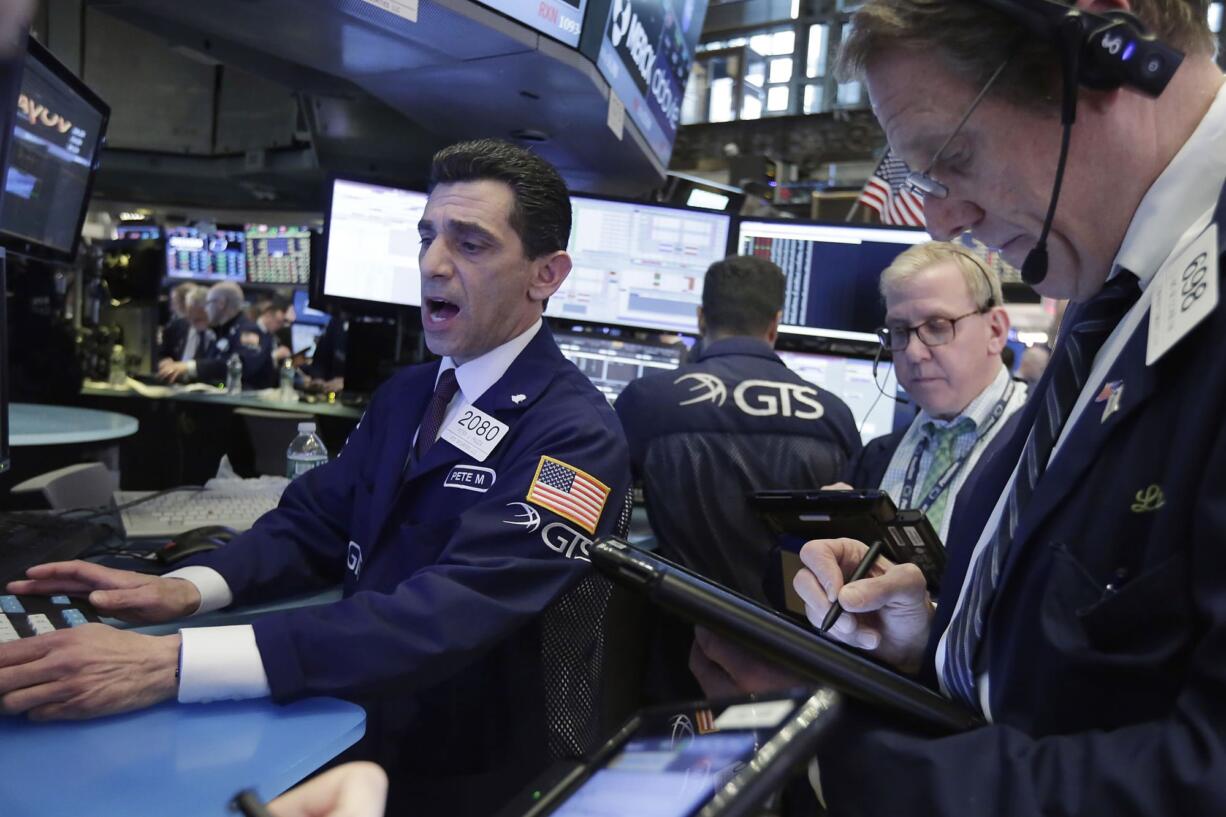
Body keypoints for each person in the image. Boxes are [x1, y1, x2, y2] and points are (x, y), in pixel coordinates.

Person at [693, 0, 1226, 814]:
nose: (944, 216)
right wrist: (925, 644)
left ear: (1103, 50)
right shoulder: (1107, 292)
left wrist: (832, 760)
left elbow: (1204, 770)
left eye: (953, 156)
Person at [0, 139, 633, 816]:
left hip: (467, 779)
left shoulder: (573, 435)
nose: (432, 264)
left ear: (547, 274)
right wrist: (186, 587)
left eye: (470, 244)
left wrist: (170, 664)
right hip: (353, 726)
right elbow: (316, 520)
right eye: (427, 236)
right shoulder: (408, 395)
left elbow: (445, 614)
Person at [616, 254, 861, 602]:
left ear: (701, 319)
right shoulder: (834, 413)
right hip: (797, 633)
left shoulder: (649, 400)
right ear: (775, 323)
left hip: (681, 620)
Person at [845, 241, 1027, 542]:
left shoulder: (1046, 445)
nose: (914, 352)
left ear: (995, 331)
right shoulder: (874, 458)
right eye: (900, 331)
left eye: (938, 326)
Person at [157, 281, 271, 388]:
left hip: (248, 401)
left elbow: (241, 365)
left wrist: (189, 367)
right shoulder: (222, 331)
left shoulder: (248, 330)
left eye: (208, 303)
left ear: (221, 304)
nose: (206, 310)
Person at [156, 284, 213, 369]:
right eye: (189, 316)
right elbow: (161, 353)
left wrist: (189, 368)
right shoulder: (176, 327)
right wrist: (163, 360)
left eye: (197, 319)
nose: (191, 322)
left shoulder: (221, 332)